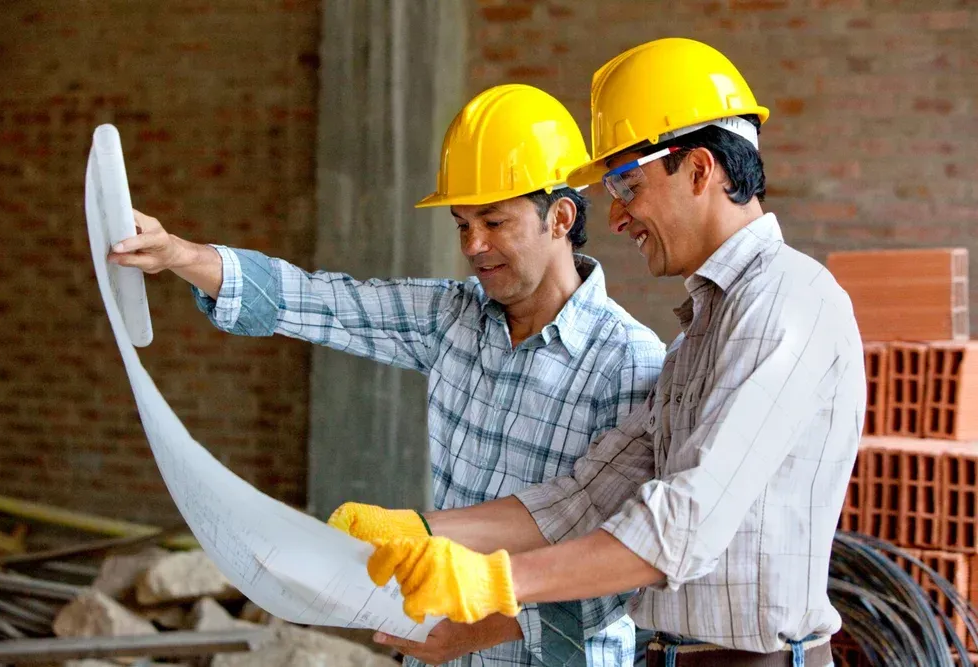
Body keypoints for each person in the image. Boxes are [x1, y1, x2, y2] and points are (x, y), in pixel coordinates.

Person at [339, 38, 865, 667]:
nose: (615, 218)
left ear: (700, 170)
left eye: (627, 185)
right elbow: (583, 499)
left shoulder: (787, 300)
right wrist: (419, 530)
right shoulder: (699, 336)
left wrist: (495, 583)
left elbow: (683, 524)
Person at [109, 83, 666, 666]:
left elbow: (627, 567)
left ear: (561, 217)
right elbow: (320, 302)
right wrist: (182, 255)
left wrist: (481, 629)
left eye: (494, 221)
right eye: (461, 224)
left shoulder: (628, 363)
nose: (474, 245)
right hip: (438, 647)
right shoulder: (452, 318)